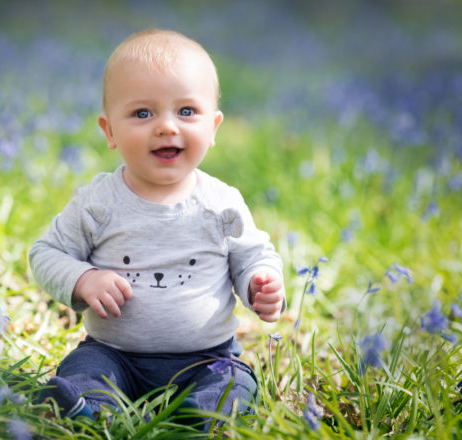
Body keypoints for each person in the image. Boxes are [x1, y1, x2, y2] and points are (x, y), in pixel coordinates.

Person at [29, 29, 285, 426]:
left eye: (186, 111)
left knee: (232, 383)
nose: (167, 127)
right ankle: (90, 408)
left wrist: (260, 282)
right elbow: (45, 254)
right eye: (143, 113)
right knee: (84, 370)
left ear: (213, 127)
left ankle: (197, 418)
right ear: (109, 131)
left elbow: (252, 255)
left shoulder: (221, 203)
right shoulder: (98, 202)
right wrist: (84, 279)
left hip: (207, 358)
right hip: (113, 353)